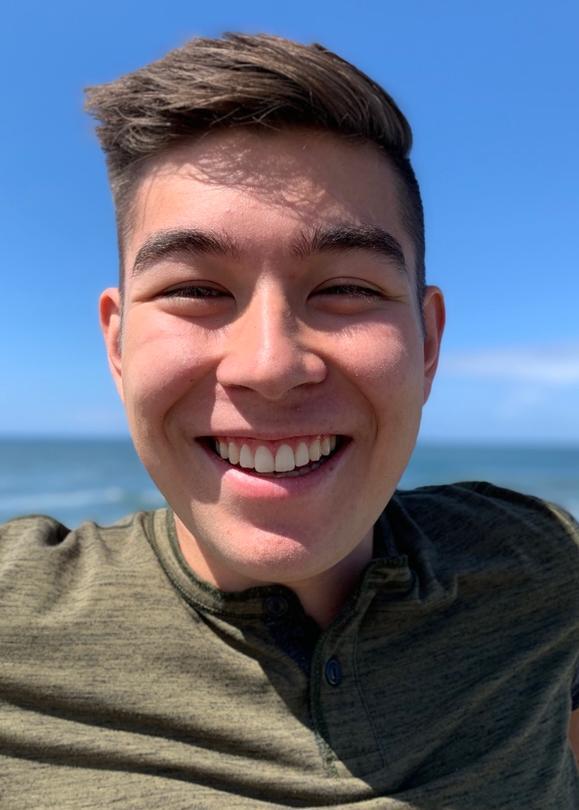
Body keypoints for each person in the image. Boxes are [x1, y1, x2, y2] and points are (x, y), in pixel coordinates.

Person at [1, 33, 578, 809]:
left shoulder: (541, 566)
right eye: (197, 291)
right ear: (117, 344)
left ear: (428, 340)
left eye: (344, 288)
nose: (270, 365)